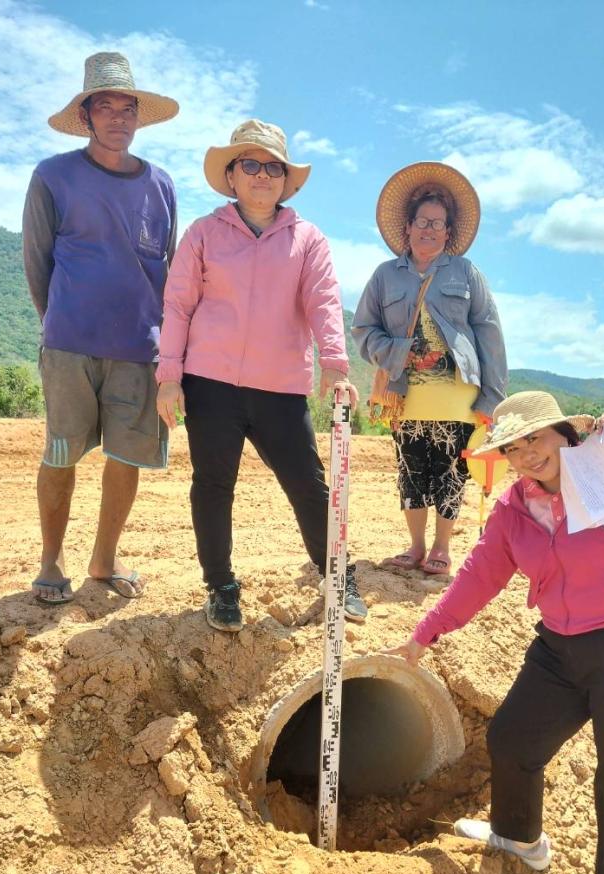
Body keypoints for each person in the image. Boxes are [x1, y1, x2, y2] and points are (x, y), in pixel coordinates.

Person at [387, 391, 604, 874]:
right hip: (562, 645)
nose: (526, 455)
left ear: (564, 434)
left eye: (535, 439)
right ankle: (520, 838)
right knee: (512, 740)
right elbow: (479, 576)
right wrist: (424, 633)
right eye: (512, 447)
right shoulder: (514, 508)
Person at [155, 120, 366, 632]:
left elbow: (323, 301)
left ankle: (337, 576)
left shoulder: (307, 238)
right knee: (212, 484)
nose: (262, 175)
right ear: (231, 176)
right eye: (250, 164)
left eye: (273, 167)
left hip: (281, 386)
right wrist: (169, 375)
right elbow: (179, 304)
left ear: (285, 179)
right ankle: (222, 587)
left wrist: (336, 364)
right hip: (210, 382)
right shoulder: (204, 233)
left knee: (308, 484)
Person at [22, 52, 179, 606]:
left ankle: (104, 559)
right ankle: (50, 561)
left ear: (139, 117)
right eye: (104, 106)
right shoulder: (53, 176)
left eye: (127, 107)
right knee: (61, 453)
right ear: (86, 116)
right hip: (69, 346)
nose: (118, 117)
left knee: (127, 456)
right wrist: (61, 322)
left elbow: (169, 270)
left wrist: (169, 350)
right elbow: (37, 262)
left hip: (140, 349)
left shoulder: (161, 186)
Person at [353, 162, 506, 577]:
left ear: (448, 231)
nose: (429, 230)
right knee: (411, 472)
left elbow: (489, 334)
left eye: (438, 224)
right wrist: (399, 350)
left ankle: (441, 547)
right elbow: (363, 329)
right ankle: (416, 546)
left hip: (460, 397)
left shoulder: (468, 274)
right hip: (403, 396)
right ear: (408, 226)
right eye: (422, 221)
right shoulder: (385, 276)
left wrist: (493, 398)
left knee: (451, 474)